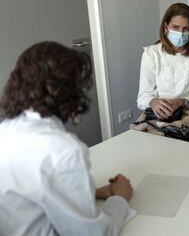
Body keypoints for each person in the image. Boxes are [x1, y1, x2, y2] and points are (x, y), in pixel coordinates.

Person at [0, 42, 134, 235]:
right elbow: (93, 233)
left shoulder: (6, 129)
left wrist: (91, 192)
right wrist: (120, 198)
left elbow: (27, 194)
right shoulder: (63, 150)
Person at [137, 3, 189, 141]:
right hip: (156, 117)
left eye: (186, 29)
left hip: (187, 118)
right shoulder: (151, 54)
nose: (181, 33)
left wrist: (182, 102)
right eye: (175, 27)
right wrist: (153, 102)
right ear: (166, 27)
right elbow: (142, 97)